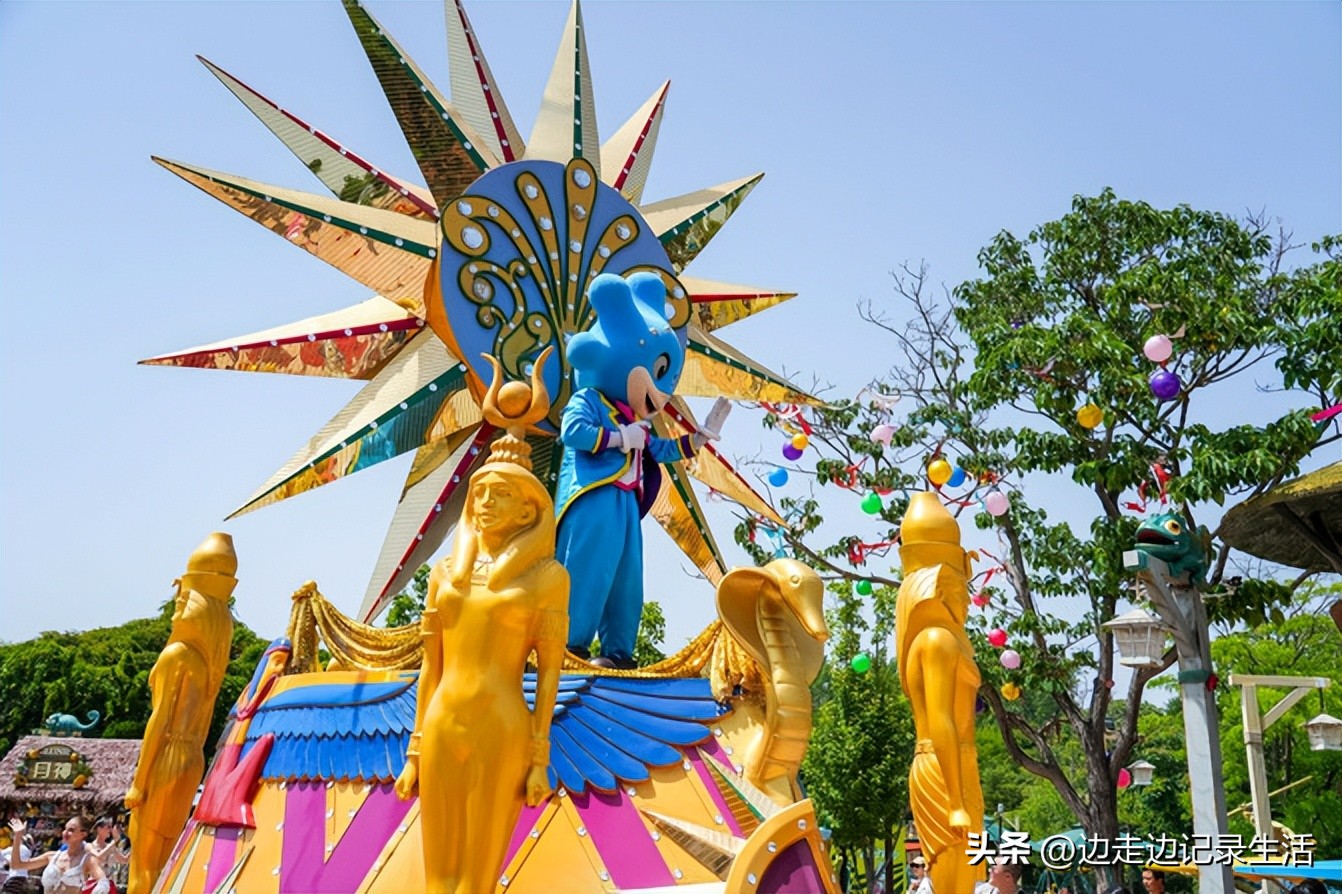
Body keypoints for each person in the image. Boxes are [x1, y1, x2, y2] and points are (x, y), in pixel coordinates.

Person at [395, 352, 568, 894]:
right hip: (442, 725)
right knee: (437, 878)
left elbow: (550, 674)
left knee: (476, 881)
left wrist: (539, 757)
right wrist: (414, 751)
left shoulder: (548, 578)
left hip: (502, 729)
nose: (487, 503)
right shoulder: (445, 573)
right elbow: (431, 667)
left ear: (529, 511)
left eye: (503, 494)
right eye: (481, 493)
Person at [125, 533, 236, 894]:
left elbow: (159, 722)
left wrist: (139, 782)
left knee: (143, 861)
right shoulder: (209, 664)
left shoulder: (177, 656)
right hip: (192, 761)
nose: (177, 603)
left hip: (167, 758)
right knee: (166, 859)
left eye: (184, 597)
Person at [895, 492, 985, 894]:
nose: (967, 600)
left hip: (952, 764)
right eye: (963, 589)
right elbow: (941, 721)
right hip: (945, 766)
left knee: (965, 877)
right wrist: (957, 803)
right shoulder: (938, 640)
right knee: (957, 877)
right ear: (941, 588)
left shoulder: (936, 639)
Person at [6, 816, 109, 894]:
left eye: (71, 830)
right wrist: (18, 836)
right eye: (65, 829)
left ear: (83, 834)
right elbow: (16, 865)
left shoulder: (87, 860)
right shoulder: (51, 857)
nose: (65, 833)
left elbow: (103, 882)